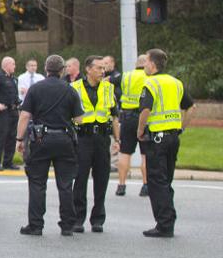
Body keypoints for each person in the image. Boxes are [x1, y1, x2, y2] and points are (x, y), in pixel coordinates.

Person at [16, 54, 83, 236]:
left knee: (37, 183)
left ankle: (36, 225)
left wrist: (19, 139)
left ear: (46, 69)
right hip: (64, 140)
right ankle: (68, 225)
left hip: (40, 140)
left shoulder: (36, 89)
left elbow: (24, 116)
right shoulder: (70, 90)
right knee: (65, 184)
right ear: (62, 71)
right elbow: (79, 119)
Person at [136, 48, 194, 237]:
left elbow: (145, 110)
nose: (144, 65)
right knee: (166, 180)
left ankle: (164, 224)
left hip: (157, 139)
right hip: (173, 138)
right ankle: (169, 218)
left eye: (146, 62)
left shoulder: (151, 83)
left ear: (152, 64)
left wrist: (140, 130)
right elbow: (191, 108)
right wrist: (180, 128)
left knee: (157, 181)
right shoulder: (176, 83)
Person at [70, 56, 118, 232]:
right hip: (83, 138)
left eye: (103, 68)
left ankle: (98, 219)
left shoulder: (108, 88)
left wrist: (117, 140)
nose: (102, 71)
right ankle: (77, 218)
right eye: (98, 68)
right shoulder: (75, 88)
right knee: (80, 178)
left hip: (102, 139)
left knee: (101, 178)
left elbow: (114, 116)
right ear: (88, 69)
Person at [116, 52, 150, 197]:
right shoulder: (150, 77)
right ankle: (145, 185)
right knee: (145, 154)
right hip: (144, 117)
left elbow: (109, 81)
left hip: (128, 117)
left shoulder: (126, 76)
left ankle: (121, 185)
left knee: (125, 152)